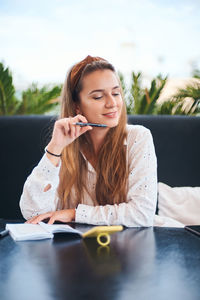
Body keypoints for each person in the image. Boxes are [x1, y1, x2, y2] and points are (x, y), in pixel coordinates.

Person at [20, 55, 157, 227]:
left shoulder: (138, 138)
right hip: (73, 250)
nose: (112, 103)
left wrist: (75, 214)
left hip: (128, 246)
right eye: (98, 97)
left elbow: (142, 214)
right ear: (77, 106)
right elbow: (33, 213)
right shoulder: (65, 146)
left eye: (116, 93)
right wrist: (55, 148)